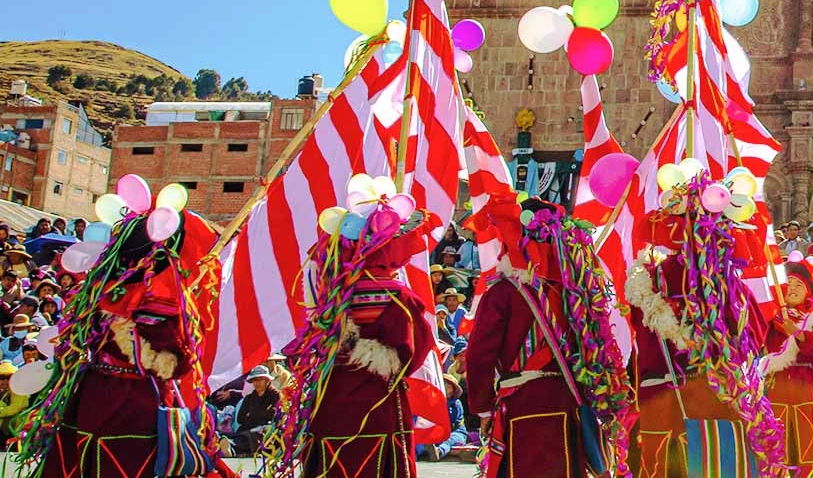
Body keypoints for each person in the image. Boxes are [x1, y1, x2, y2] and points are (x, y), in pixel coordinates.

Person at [16, 188, 234, 477]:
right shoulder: (161, 299)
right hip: (135, 403)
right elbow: (172, 364)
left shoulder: (95, 294)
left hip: (90, 396)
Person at [261, 191, 438, 478]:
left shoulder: (329, 299)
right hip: (379, 408)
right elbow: (413, 353)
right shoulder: (397, 298)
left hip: (330, 404)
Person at [620, 178, 785, 477]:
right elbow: (755, 337)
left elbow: (638, 335)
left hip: (658, 403)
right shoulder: (728, 286)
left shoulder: (647, 281)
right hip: (713, 399)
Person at [464, 197, 635, 477]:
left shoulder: (503, 294)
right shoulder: (574, 294)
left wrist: (482, 408)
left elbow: (480, 354)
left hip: (521, 405)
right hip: (566, 402)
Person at [763, 261, 813, 475]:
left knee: (806, 446)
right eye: (789, 284)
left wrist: (797, 332)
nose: (792, 289)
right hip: (777, 388)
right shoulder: (770, 317)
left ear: (808, 292)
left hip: (805, 389)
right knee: (776, 446)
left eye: (798, 285)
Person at [227, 366, 280, 456]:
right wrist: (259, 415)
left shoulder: (276, 396)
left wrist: (252, 416)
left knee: (255, 436)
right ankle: (229, 446)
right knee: (240, 436)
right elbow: (241, 418)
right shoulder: (249, 398)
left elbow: (273, 415)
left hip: (268, 432)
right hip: (248, 430)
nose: (257, 383)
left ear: (267, 380)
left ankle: (232, 448)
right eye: (254, 380)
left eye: (260, 379)